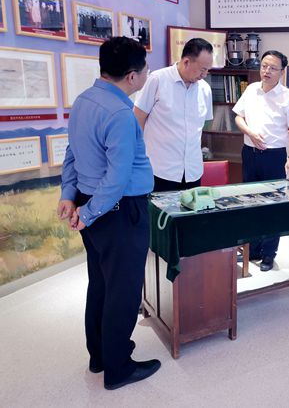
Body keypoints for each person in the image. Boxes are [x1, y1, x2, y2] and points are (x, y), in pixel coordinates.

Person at [57, 36, 160, 390]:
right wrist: (89, 213)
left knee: (101, 283)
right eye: (145, 69)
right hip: (118, 210)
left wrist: (70, 196)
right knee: (124, 290)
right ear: (132, 76)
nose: (147, 74)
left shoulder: (83, 101)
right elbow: (117, 178)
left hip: (93, 204)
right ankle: (118, 368)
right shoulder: (119, 114)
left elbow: (71, 153)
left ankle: (99, 356)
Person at [233, 50, 289, 271]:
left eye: (273, 68)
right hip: (250, 153)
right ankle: (252, 249)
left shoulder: (288, 97)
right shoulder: (251, 89)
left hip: (274, 156)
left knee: (273, 206)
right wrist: (250, 132)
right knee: (250, 203)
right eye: (264, 66)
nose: (267, 71)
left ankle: (269, 254)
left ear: (282, 71)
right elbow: (238, 116)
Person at [134, 38, 214, 191]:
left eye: (208, 70)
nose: (205, 75)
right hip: (160, 170)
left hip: (192, 171)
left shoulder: (205, 89)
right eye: (202, 69)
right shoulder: (157, 80)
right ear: (186, 62)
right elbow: (138, 118)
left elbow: (203, 125)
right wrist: (138, 157)